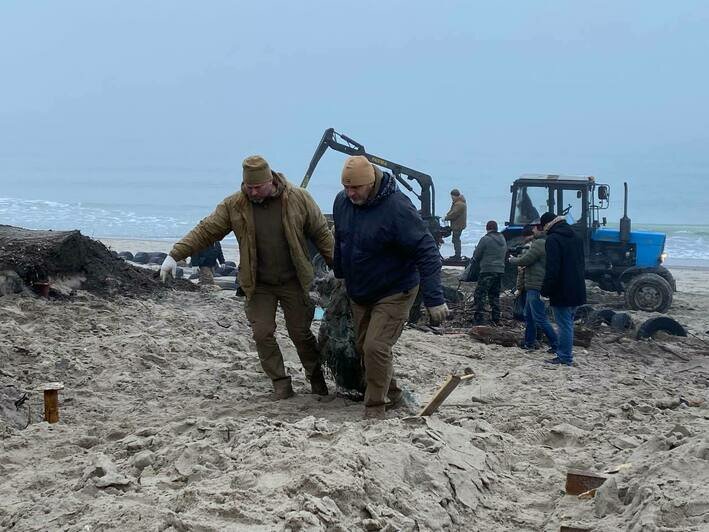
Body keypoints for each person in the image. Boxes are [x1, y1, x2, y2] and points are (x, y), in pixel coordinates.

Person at [160, 155, 335, 398]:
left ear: (270, 180)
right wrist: (174, 254)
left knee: (301, 334)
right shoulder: (235, 205)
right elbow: (206, 230)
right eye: (247, 187)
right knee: (262, 333)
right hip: (258, 284)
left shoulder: (298, 198)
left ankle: (317, 381)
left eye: (257, 187)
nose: (252, 192)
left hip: (295, 281)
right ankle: (281, 384)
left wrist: (340, 268)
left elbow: (322, 235)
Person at [333, 155, 448, 419]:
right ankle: (395, 395)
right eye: (346, 188)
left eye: (356, 188)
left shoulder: (397, 208)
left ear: (371, 182)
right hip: (360, 290)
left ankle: (375, 408)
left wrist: (434, 298)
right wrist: (340, 273)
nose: (350, 194)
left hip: (395, 290)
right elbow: (341, 238)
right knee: (365, 348)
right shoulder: (342, 202)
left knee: (375, 346)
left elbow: (428, 251)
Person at [539, 211, 586, 366]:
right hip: (577, 287)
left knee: (564, 324)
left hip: (562, 289)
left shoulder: (553, 239)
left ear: (547, 224)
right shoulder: (576, 236)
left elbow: (553, 268)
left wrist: (545, 290)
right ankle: (565, 354)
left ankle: (565, 357)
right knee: (568, 323)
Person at [509, 223, 559, 352]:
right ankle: (529, 342)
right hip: (533, 285)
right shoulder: (546, 243)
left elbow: (525, 260)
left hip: (535, 286)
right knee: (529, 316)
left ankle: (556, 344)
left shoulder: (538, 244)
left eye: (534, 228)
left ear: (539, 230)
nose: (533, 230)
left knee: (539, 318)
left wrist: (513, 260)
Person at [471, 220, 507, 325]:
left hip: (487, 270)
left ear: (487, 228)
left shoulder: (485, 239)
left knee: (480, 294)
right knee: (494, 295)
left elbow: (477, 255)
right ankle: (496, 318)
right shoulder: (503, 239)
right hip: (500, 270)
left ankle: (479, 318)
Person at [444, 189, 467, 259]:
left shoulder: (459, 204)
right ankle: (457, 254)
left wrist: (446, 218)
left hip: (458, 225)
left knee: (456, 239)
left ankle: (457, 255)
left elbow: (454, 213)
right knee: (455, 239)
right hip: (457, 224)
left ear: (455, 196)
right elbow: (452, 211)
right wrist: (447, 215)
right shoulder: (458, 203)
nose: (451, 198)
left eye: (452, 196)